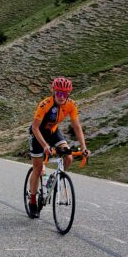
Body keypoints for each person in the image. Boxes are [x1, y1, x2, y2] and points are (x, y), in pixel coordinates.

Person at [28, 77, 90, 218]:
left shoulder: (71, 105)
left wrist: (84, 147)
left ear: (68, 94)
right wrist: (44, 146)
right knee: (37, 168)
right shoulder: (45, 104)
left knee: (68, 156)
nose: (61, 97)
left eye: (65, 94)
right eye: (59, 93)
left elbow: (76, 126)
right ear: (53, 91)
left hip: (53, 132)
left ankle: (56, 179)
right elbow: (35, 127)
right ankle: (32, 201)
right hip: (38, 135)